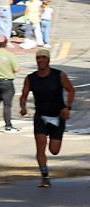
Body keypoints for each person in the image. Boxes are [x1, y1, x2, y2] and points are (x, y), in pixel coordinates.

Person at [19, 48, 75, 187]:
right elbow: (24, 95)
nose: (41, 60)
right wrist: (23, 107)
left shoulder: (59, 75)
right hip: (41, 116)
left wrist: (67, 107)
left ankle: (46, 172)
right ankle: (45, 177)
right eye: (39, 58)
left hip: (57, 115)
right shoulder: (31, 78)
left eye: (43, 58)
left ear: (48, 60)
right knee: (40, 145)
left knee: (54, 150)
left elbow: (71, 90)